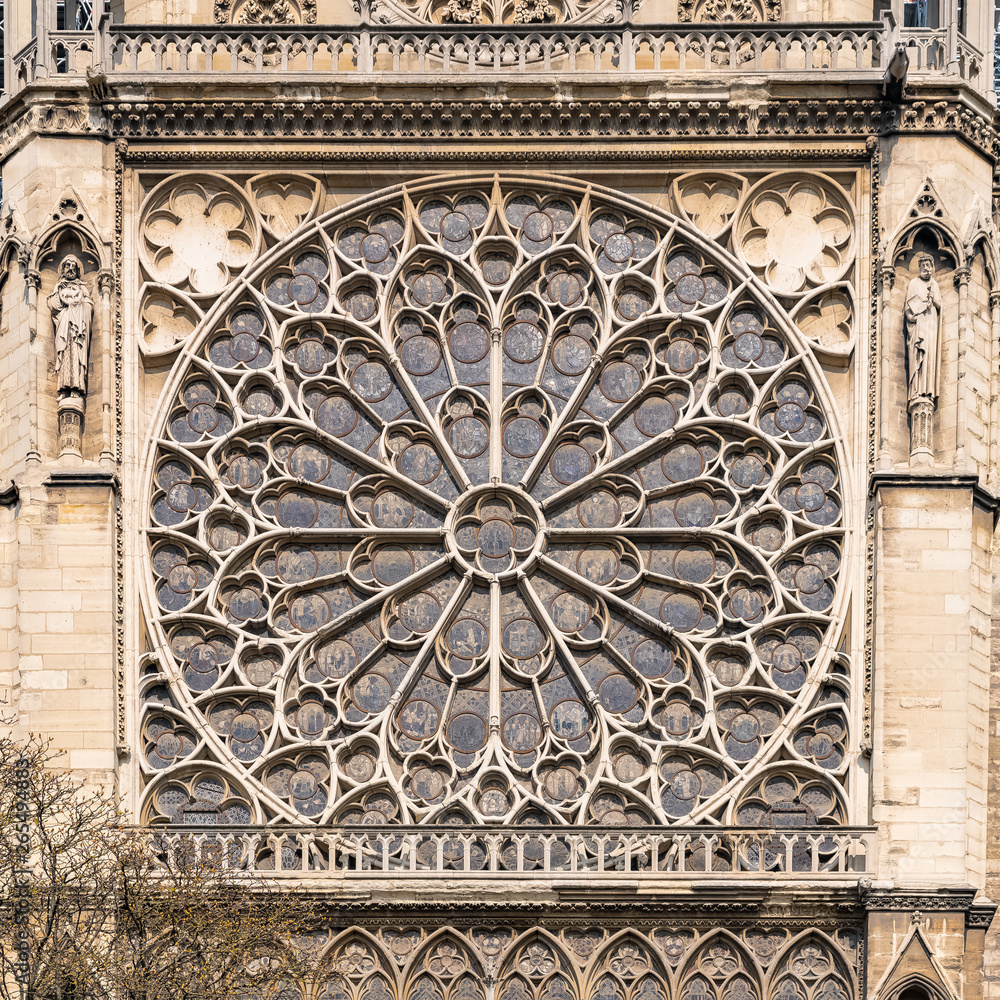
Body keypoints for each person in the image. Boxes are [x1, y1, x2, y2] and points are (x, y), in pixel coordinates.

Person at [48, 255, 94, 395]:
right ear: (63, 269)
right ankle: (63, 388)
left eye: (73, 266)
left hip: (77, 332)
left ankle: (77, 388)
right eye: (68, 266)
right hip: (64, 328)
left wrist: (79, 307)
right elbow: (53, 306)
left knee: (77, 356)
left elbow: (89, 306)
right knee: (64, 355)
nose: (71, 269)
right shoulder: (59, 286)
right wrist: (57, 293)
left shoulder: (82, 287)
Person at [903, 252, 942, 407]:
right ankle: (916, 390)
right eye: (923, 265)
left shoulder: (935, 285)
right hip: (919, 324)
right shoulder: (914, 283)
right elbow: (908, 307)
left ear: (932, 267)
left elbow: (939, 304)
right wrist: (910, 318)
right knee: (918, 354)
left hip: (930, 322)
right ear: (920, 267)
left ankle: (928, 389)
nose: (926, 268)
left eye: (928, 265)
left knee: (929, 356)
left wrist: (932, 298)